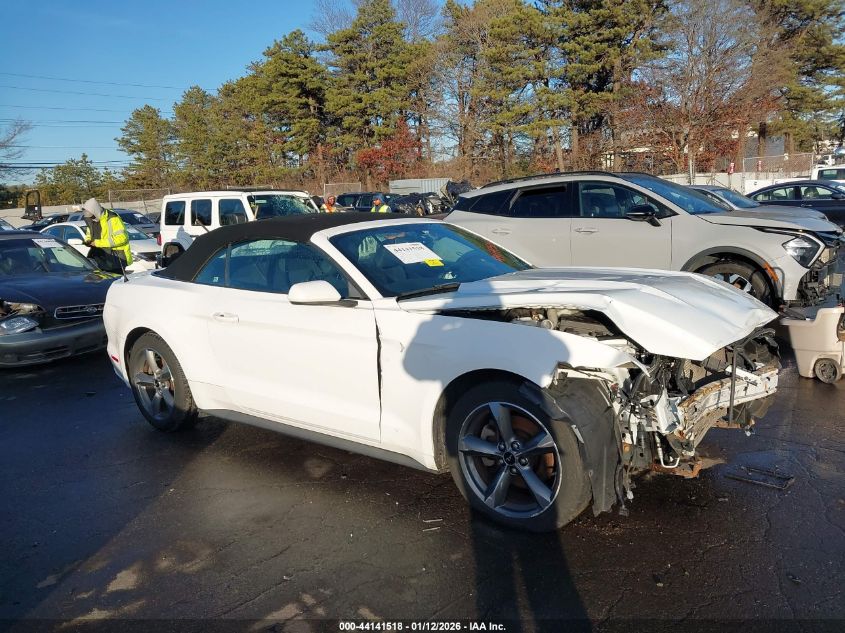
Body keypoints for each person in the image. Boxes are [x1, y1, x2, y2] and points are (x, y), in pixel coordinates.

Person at [81, 198, 133, 273]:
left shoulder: (112, 218)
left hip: (115, 259)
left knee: (115, 282)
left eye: (90, 213)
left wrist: (97, 243)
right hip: (98, 257)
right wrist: (88, 241)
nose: (90, 217)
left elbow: (122, 238)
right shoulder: (90, 220)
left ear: (95, 210)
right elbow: (89, 233)